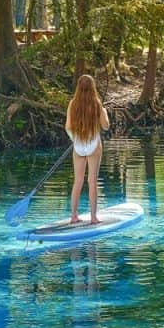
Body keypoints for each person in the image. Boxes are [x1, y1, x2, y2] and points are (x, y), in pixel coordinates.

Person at [65, 74, 110, 224]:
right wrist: (104, 112)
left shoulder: (73, 104)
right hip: (94, 145)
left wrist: (75, 140)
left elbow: (68, 127)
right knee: (92, 181)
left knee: (78, 181)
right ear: (93, 87)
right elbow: (105, 126)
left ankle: (73, 216)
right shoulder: (97, 103)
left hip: (78, 146)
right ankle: (93, 217)